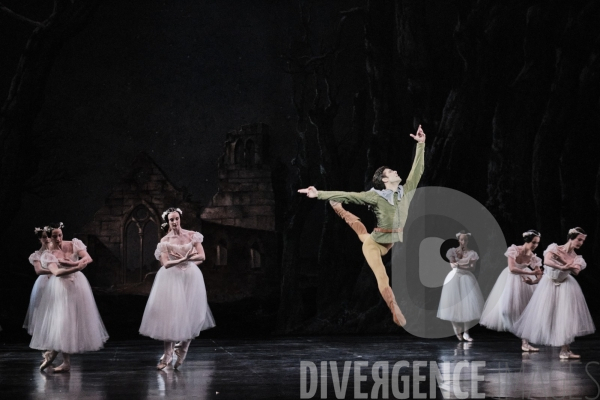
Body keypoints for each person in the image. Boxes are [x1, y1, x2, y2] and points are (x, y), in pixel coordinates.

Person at [297, 126, 426, 326]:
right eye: (392, 172)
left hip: (393, 240)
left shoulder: (405, 191)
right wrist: (319, 193)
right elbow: (350, 195)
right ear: (384, 179)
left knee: (360, 231)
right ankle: (394, 308)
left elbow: (417, 171)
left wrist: (421, 144)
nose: (396, 171)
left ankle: (339, 211)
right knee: (377, 267)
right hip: (375, 244)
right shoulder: (374, 196)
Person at [139, 207, 215, 369]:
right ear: (168, 221)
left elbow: (202, 256)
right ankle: (167, 355)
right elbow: (166, 264)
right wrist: (184, 259)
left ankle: (182, 348)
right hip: (172, 279)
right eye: (171, 219)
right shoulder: (165, 241)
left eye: (176, 219)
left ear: (180, 218)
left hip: (191, 276)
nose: (174, 222)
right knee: (171, 316)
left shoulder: (192, 235)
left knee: (193, 314)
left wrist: (188, 259)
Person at [31, 223, 108, 372]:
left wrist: (74, 263)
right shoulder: (48, 254)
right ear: (48, 237)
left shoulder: (73, 243)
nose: (59, 238)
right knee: (63, 319)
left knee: (73, 319)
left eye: (60, 235)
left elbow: (88, 258)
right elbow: (56, 272)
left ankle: (60, 357)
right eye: (54, 236)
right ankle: (57, 355)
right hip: (60, 286)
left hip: (78, 285)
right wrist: (77, 267)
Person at [512, 227, 595, 359]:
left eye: (583, 241)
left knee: (566, 317)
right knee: (541, 315)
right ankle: (526, 342)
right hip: (549, 283)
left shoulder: (577, 257)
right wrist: (564, 266)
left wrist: (562, 262)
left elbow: (576, 271)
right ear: (571, 238)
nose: (581, 243)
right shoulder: (554, 248)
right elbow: (547, 261)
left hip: (565, 286)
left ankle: (565, 350)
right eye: (579, 240)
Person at [479, 230, 543, 351]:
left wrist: (534, 280)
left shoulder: (534, 258)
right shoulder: (514, 250)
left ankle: (525, 342)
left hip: (525, 282)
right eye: (533, 242)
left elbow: (539, 274)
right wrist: (530, 272)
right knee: (505, 310)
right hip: (510, 280)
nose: (535, 245)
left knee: (526, 311)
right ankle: (518, 332)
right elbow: (512, 269)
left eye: (537, 243)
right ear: (527, 240)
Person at [436, 231, 484, 341]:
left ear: (468, 241)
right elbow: (453, 265)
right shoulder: (452, 251)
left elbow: (472, 268)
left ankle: (466, 332)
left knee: (468, 305)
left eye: (465, 240)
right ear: (459, 240)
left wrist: (461, 265)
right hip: (454, 277)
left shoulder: (472, 253)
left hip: (467, 277)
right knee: (452, 303)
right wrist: (465, 264)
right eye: (462, 240)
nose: (463, 242)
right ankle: (456, 326)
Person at [23, 227, 54, 365]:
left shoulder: (56, 250)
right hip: (43, 284)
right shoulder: (36, 255)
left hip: (56, 283)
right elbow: (39, 270)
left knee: (56, 312)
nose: (46, 239)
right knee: (43, 313)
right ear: (39, 239)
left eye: (48, 236)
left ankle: (56, 345)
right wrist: (55, 270)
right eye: (43, 237)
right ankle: (46, 347)